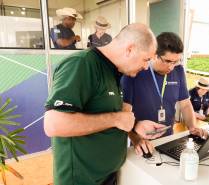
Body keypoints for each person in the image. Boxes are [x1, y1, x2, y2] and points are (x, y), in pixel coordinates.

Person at [44, 23, 157, 185]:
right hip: (81, 180)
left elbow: (111, 116)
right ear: (130, 49)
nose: (146, 67)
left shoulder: (114, 71)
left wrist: (135, 133)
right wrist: (116, 119)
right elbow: (54, 124)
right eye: (146, 59)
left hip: (107, 175)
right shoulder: (81, 64)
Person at [121, 32, 209, 156]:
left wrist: (192, 127)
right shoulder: (134, 72)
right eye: (168, 61)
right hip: (142, 142)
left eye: (176, 62)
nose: (171, 67)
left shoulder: (178, 70)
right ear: (154, 55)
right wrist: (136, 139)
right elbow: (125, 113)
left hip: (168, 139)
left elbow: (185, 104)